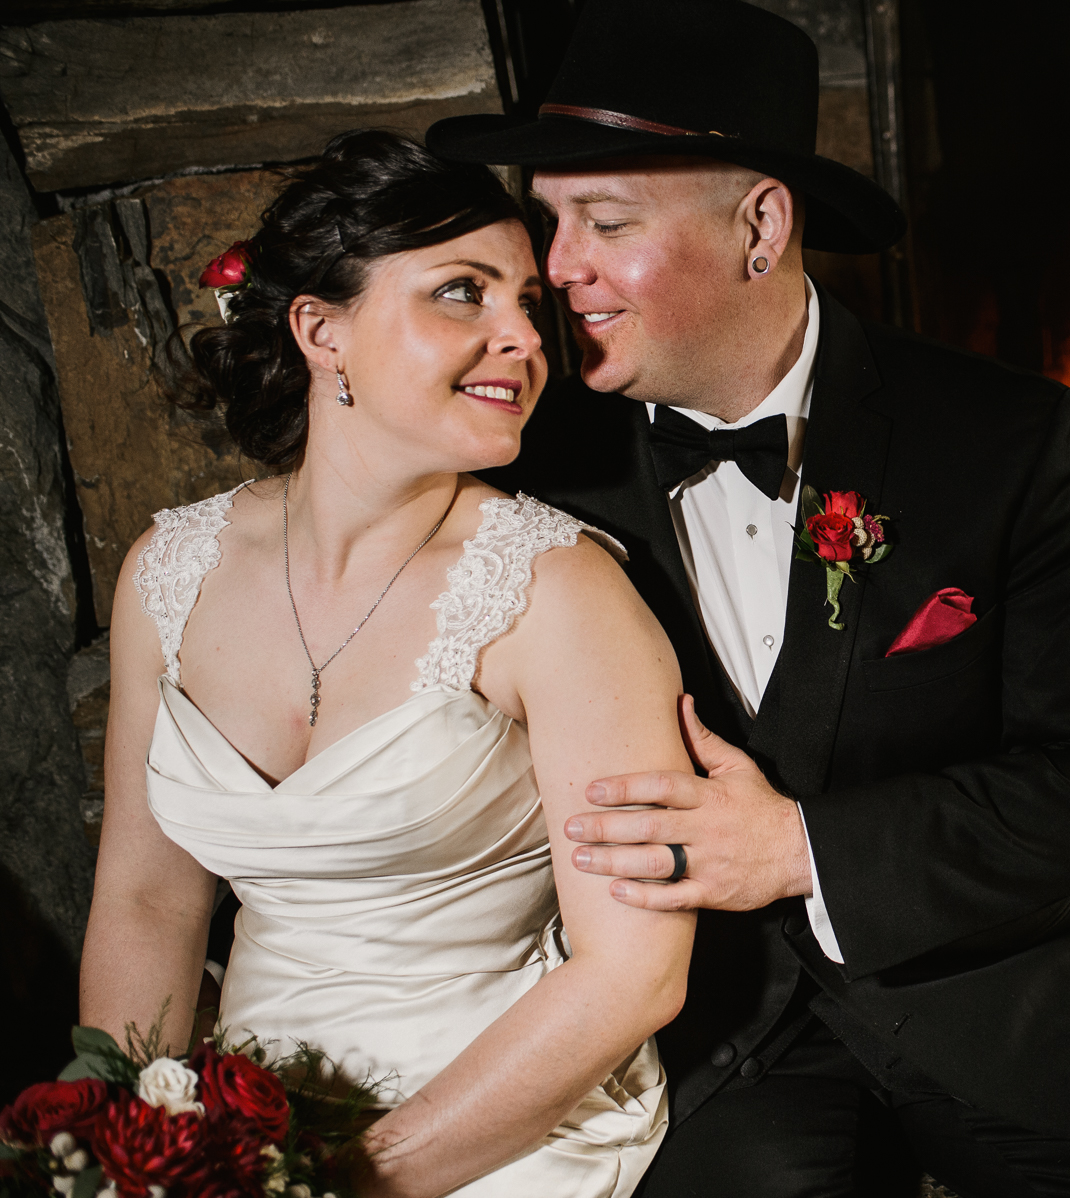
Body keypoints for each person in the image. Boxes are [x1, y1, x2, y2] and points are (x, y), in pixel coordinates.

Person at [432, 2, 1070, 1194]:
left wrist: (802, 849)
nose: (557, 265)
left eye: (607, 221)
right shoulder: (522, 457)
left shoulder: (1002, 440)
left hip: (1007, 995)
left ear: (761, 227)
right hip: (712, 1043)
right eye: (547, 220)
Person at [85, 130, 694, 1198]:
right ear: (322, 331)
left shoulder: (559, 591)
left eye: (529, 307)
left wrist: (347, 1179)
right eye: (463, 292)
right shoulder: (165, 571)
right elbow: (148, 904)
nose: (522, 337)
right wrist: (128, 1152)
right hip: (245, 1118)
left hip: (499, 1117)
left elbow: (632, 975)